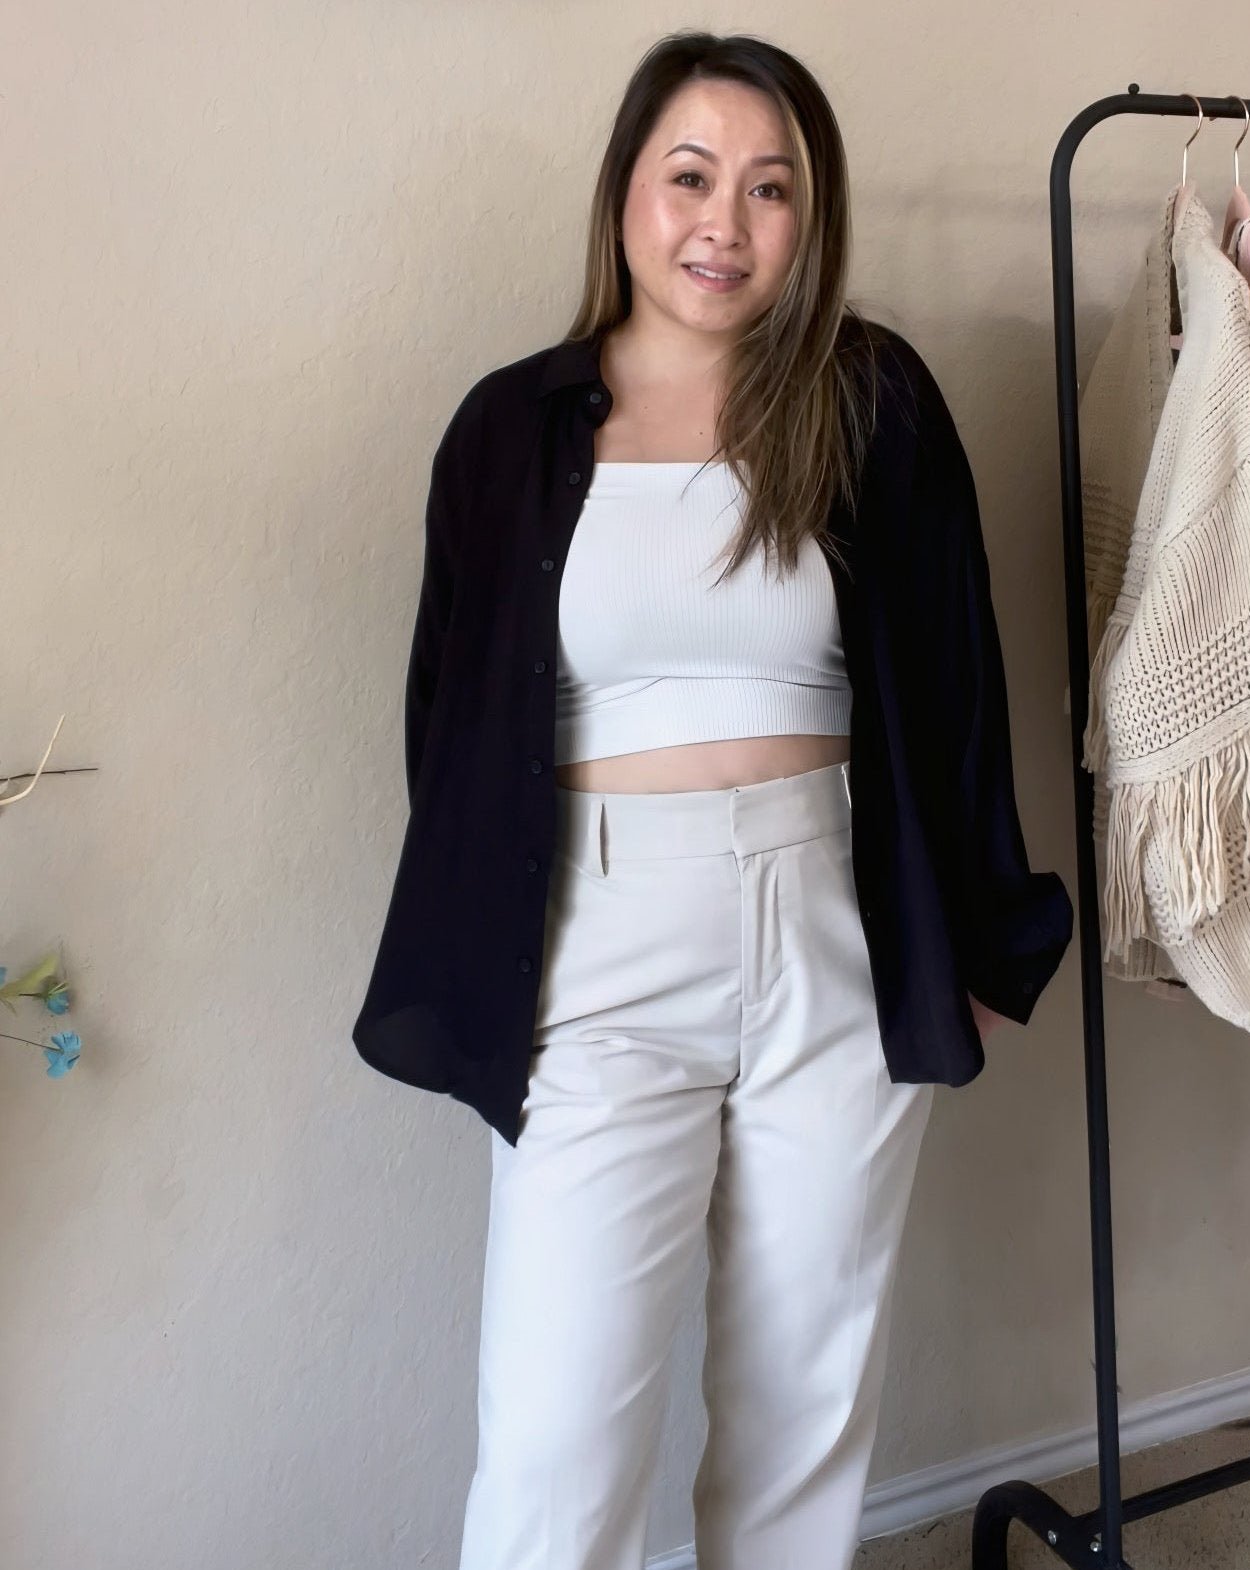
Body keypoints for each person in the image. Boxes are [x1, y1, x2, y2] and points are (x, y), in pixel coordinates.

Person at [352, 27, 1074, 1570]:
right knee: (556, 1449)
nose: (723, 225)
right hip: (594, 946)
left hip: (833, 937)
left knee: (798, 1426)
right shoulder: (508, 430)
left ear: (810, 224)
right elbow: (450, 716)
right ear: (625, 192)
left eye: (770, 191)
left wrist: (989, 952)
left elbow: (954, 687)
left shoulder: (867, 401)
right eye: (691, 176)